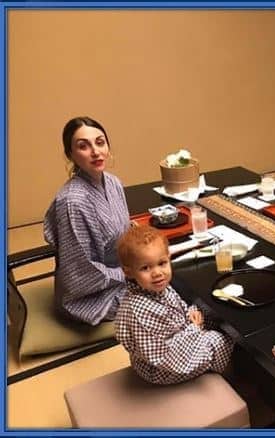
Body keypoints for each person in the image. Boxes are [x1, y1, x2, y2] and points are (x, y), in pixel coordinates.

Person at [115, 225, 233, 385]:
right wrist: (194, 329)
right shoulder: (140, 310)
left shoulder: (154, 288)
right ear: (128, 272)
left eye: (162, 263)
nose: (157, 273)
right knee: (221, 339)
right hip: (162, 370)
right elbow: (167, 356)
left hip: (175, 343)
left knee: (210, 316)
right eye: (145, 268)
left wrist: (190, 316)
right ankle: (231, 378)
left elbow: (175, 312)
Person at [44, 117, 130, 325]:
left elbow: (123, 230)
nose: (95, 151)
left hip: (126, 273)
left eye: (100, 142)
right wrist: (130, 273)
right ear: (70, 155)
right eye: (83, 146)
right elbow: (80, 271)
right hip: (91, 296)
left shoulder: (113, 182)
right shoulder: (72, 201)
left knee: (172, 278)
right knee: (160, 299)